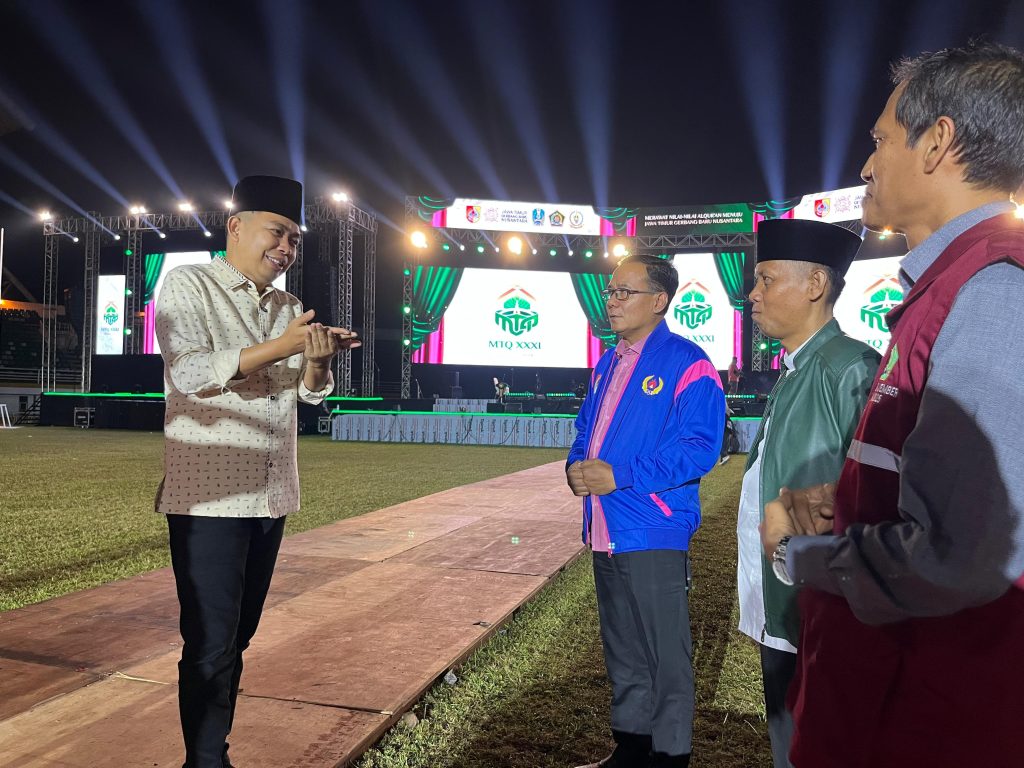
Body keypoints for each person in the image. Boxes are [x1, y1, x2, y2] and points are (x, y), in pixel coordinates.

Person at [759, 42, 1024, 767]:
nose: (867, 164)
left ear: (937, 141)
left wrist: (802, 553)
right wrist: (847, 502)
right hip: (888, 696)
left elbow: (962, 555)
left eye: (879, 140)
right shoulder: (954, 287)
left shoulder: (994, 292)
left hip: (927, 715)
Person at [155, 175, 360, 768]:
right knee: (211, 642)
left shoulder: (290, 307)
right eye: (278, 233)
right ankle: (205, 760)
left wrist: (316, 361)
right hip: (210, 495)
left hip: (271, 495)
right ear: (236, 226)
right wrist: (286, 345)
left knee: (236, 637)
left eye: (295, 238)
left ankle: (212, 750)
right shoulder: (188, 284)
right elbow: (191, 373)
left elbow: (308, 394)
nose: (288, 249)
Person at [567, 254, 725, 768]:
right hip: (605, 527)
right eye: (610, 292)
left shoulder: (688, 362)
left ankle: (670, 756)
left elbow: (701, 447)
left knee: (666, 658)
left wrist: (621, 474)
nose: (610, 301)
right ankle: (631, 750)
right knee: (624, 651)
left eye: (623, 293)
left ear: (659, 301)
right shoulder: (607, 363)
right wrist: (576, 465)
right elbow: (585, 429)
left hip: (654, 527)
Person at [737, 218, 879, 768]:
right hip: (787, 607)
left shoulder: (850, 369)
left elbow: (869, 504)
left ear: (816, 285)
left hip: (820, 614)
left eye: (766, 280)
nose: (752, 295)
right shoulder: (797, 370)